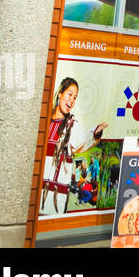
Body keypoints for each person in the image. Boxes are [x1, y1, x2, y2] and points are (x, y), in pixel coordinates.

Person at [40, 77, 108, 215]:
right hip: (36, 196)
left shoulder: (72, 127)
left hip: (54, 202)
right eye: (69, 94)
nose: (72, 100)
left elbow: (85, 139)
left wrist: (96, 133)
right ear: (60, 93)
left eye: (75, 97)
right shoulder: (43, 122)